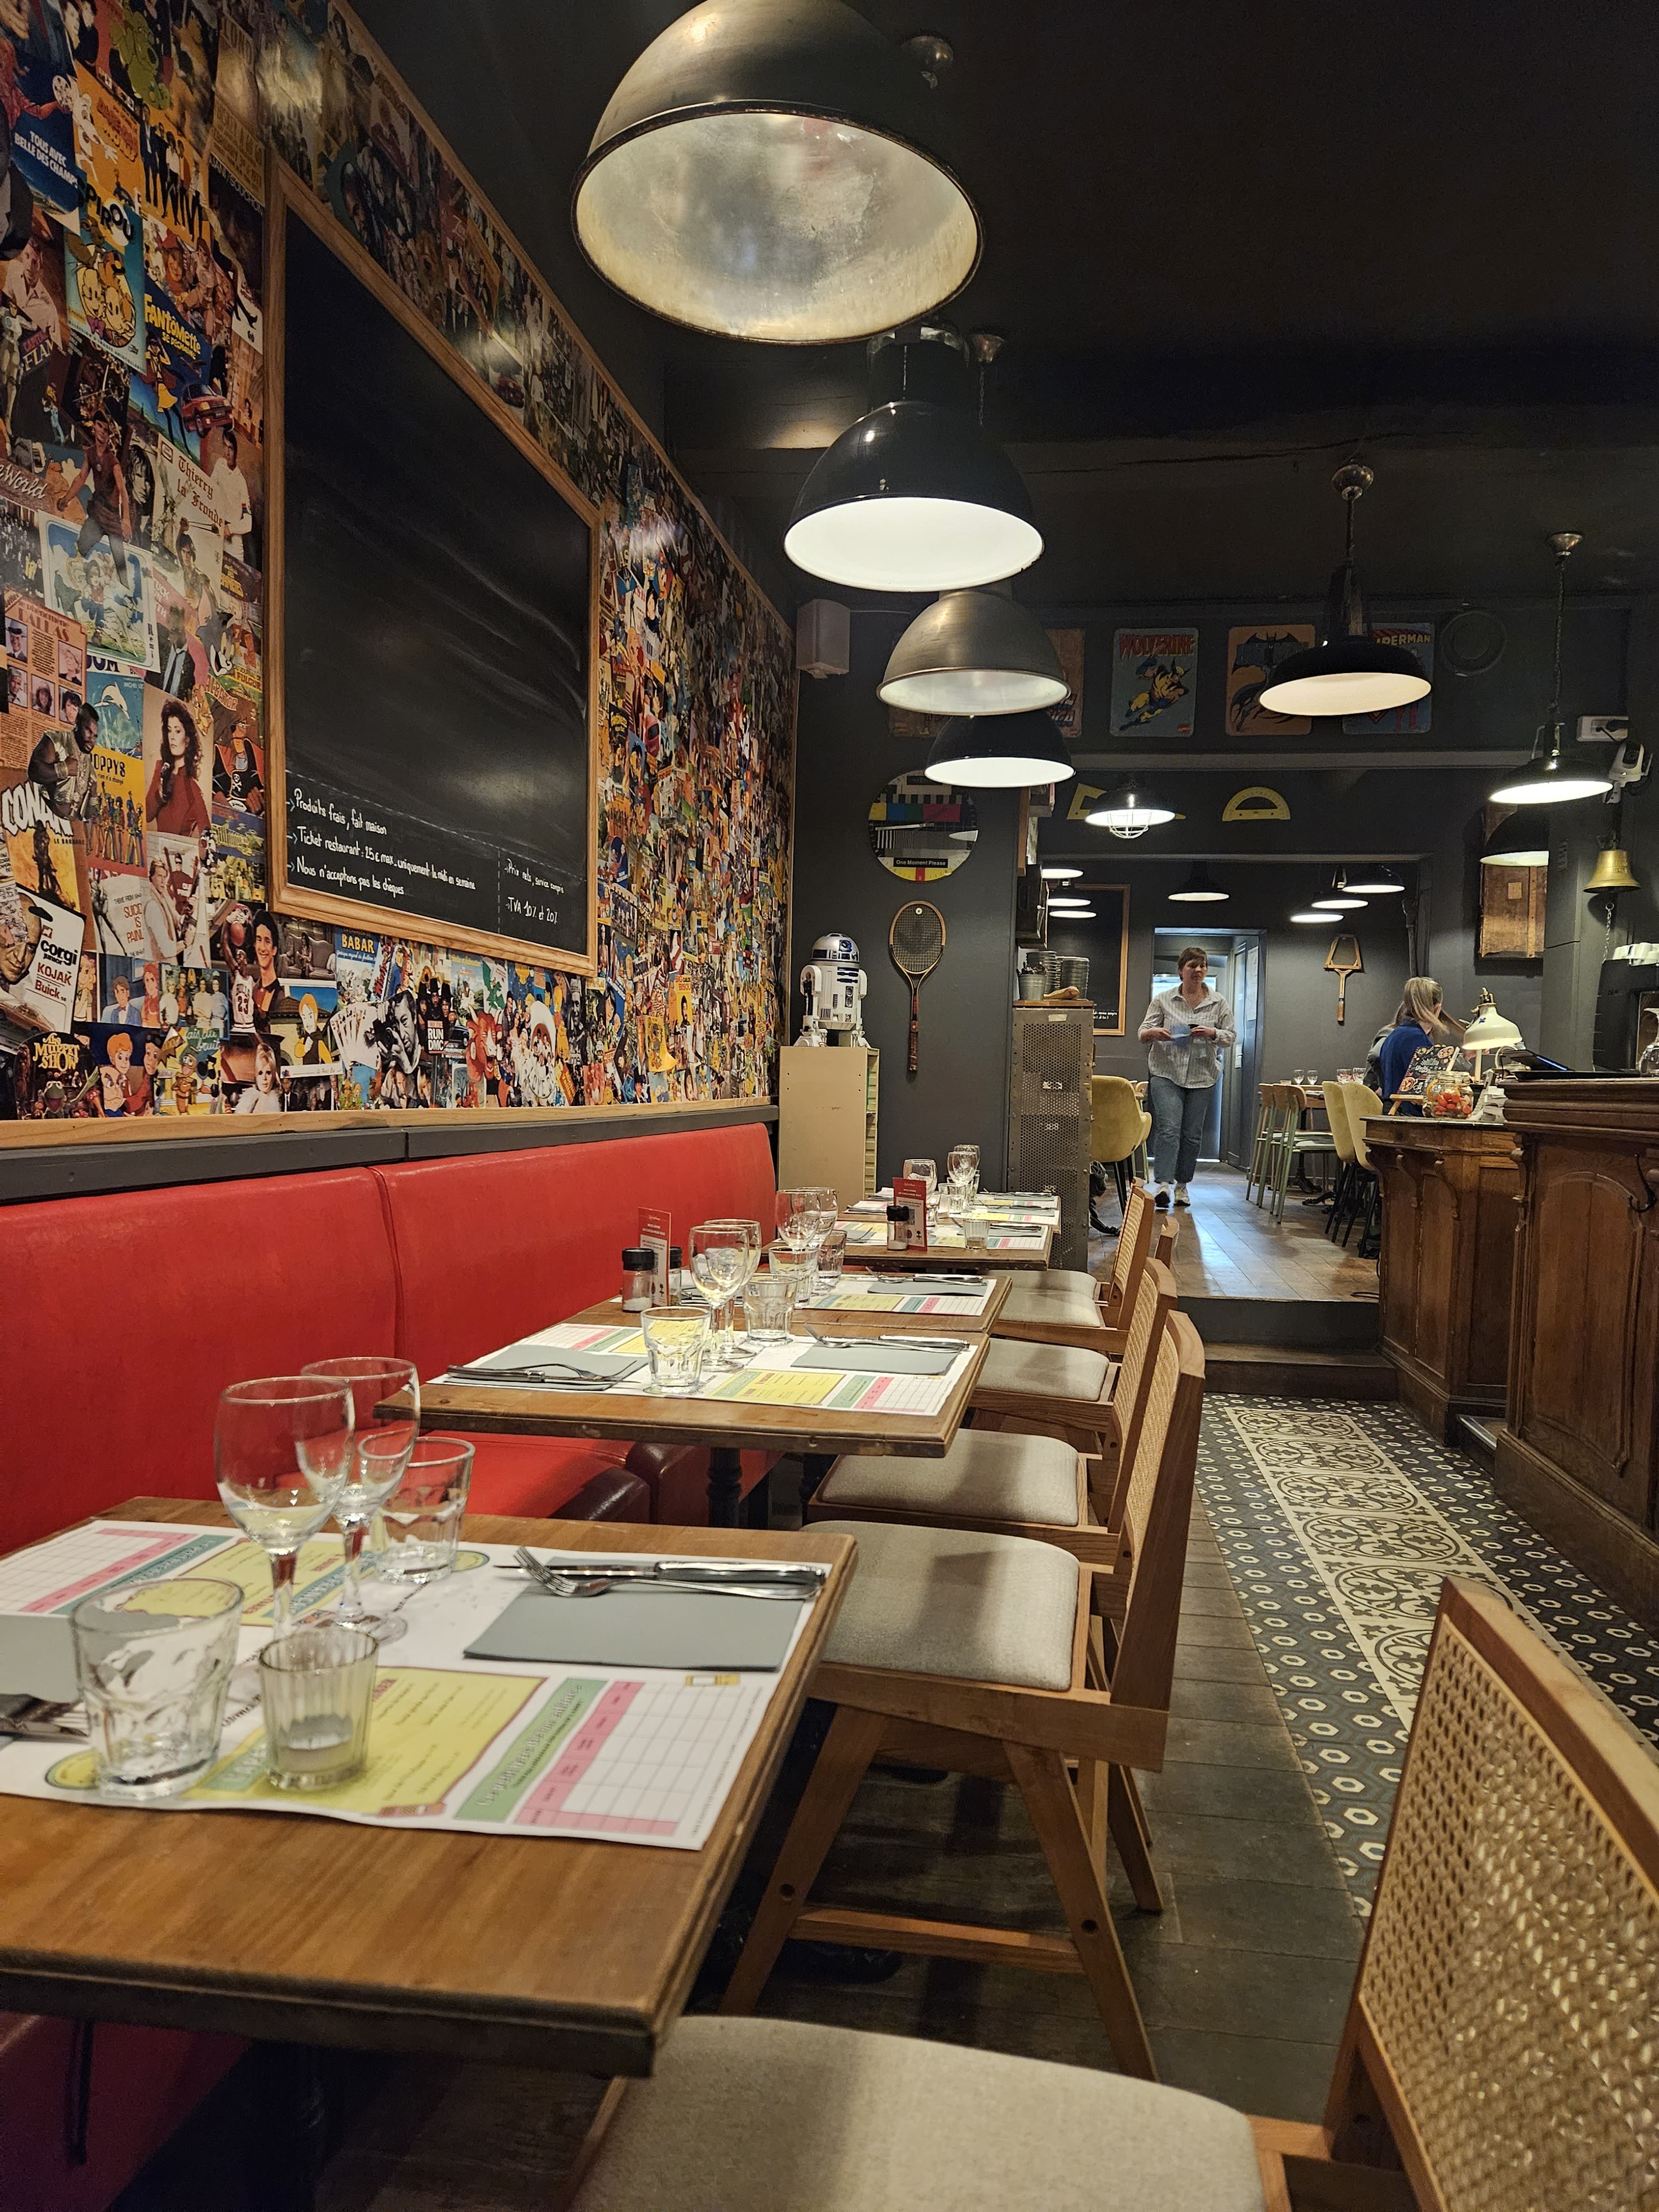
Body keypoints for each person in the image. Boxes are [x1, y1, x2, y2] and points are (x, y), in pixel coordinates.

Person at [1138, 945, 1237, 1211]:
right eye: (1193, 966)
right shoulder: (1163, 1000)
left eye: (1202, 966)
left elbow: (1230, 1037)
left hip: (1203, 1076)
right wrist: (1155, 1033)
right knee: (1169, 1129)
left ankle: (1182, 1185)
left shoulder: (1218, 1002)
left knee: (1192, 1134)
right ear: (1181, 970)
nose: (1198, 970)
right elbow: (1143, 1032)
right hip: (1166, 1072)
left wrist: (1213, 1033)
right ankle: (1163, 1185)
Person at [1378, 977, 1464, 1106]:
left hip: (1392, 1110)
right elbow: (1429, 1089)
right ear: (1437, 1009)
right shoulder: (1417, 1039)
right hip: (1409, 1113)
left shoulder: (1394, 1035)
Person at [146, 701, 208, 833]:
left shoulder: (192, 788)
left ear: (188, 740)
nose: (172, 737)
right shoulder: (161, 768)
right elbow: (147, 815)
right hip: (155, 844)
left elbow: (207, 832)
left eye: (178, 731)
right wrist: (160, 795)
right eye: (169, 731)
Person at [233, 1037, 282, 1113]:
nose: (264, 1078)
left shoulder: (276, 1102)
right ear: (255, 1075)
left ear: (273, 1075)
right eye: (260, 1073)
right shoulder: (248, 1100)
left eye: (268, 1073)